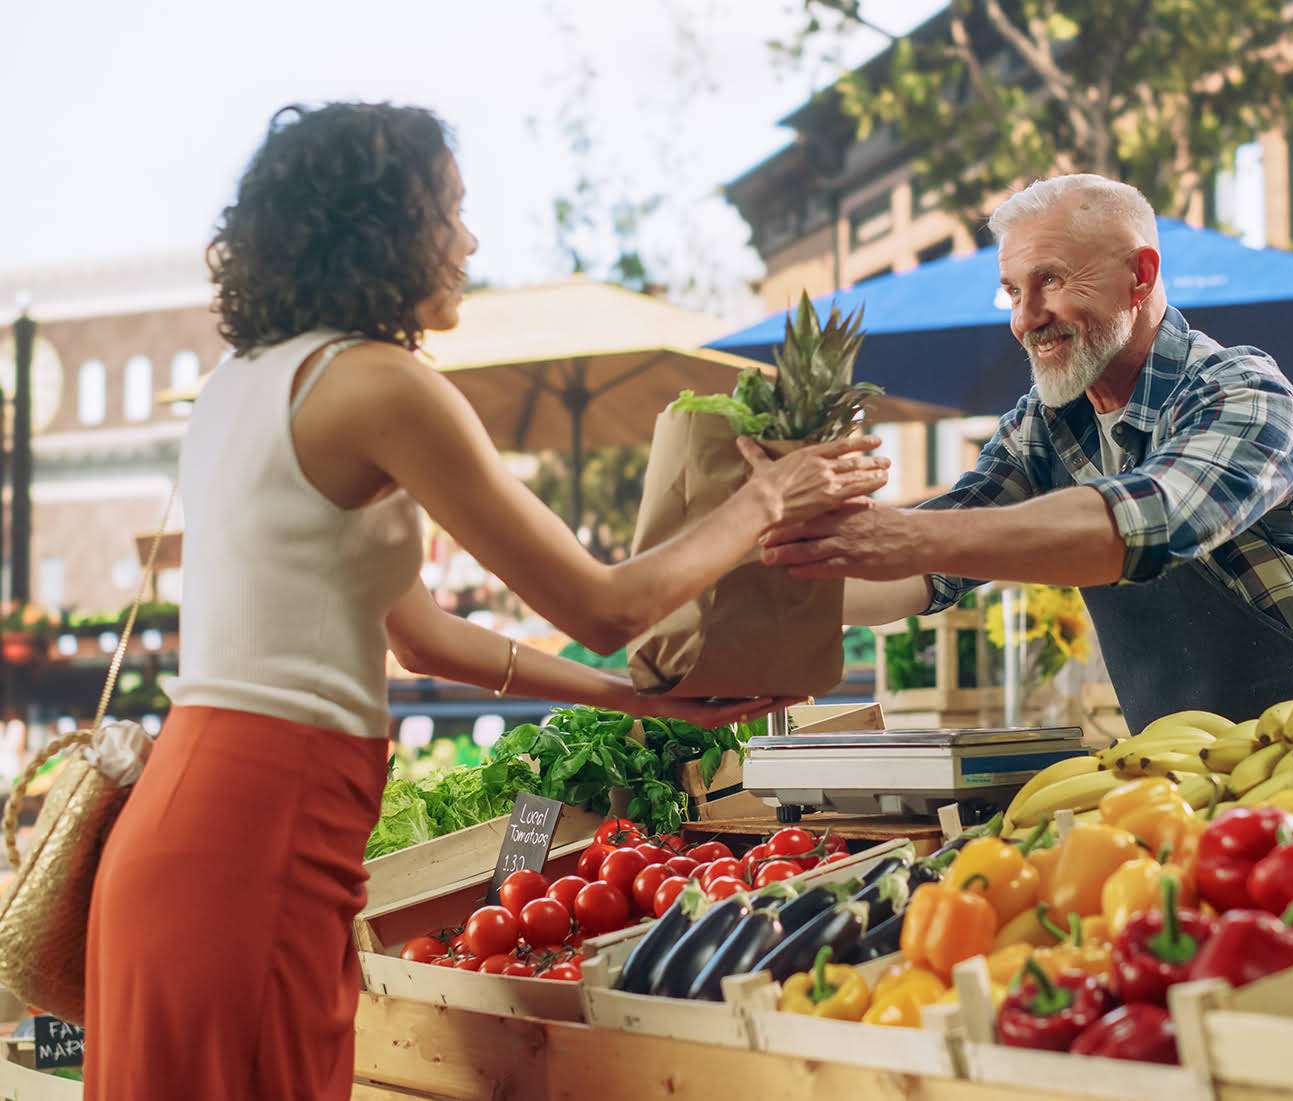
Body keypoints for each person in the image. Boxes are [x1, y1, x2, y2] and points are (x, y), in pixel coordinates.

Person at [84, 101, 888, 1100]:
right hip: (264, 838)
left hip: (188, 831)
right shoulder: (384, 383)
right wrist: (771, 494)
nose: (469, 240)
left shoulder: (241, 383)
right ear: (382, 226)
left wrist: (631, 701)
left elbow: (417, 638)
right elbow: (603, 608)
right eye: (450, 211)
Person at [760, 172, 1293, 733]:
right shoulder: (1045, 428)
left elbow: (1148, 520)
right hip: (1193, 776)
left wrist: (906, 532)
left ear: (1140, 276)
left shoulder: (1245, 396)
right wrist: (764, 595)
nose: (1026, 317)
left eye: (1051, 279)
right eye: (1013, 291)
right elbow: (927, 567)